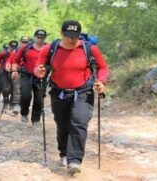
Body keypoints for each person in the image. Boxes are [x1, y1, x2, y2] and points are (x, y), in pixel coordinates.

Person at [34, 20, 108, 175]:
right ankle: (64, 153)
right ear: (61, 33)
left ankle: (74, 160)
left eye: (74, 36)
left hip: (83, 92)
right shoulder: (50, 48)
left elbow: (102, 67)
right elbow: (39, 68)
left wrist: (101, 82)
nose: (71, 39)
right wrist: (39, 72)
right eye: (67, 36)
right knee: (62, 124)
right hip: (58, 92)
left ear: (79, 35)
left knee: (79, 122)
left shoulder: (90, 49)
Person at [12, 29, 47, 125]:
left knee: (39, 99)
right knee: (25, 95)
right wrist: (14, 71)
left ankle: (36, 119)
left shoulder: (48, 48)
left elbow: (53, 62)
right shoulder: (26, 47)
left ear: (45, 38)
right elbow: (16, 60)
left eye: (42, 38)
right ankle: (24, 114)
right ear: (34, 37)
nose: (40, 40)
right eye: (38, 37)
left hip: (41, 77)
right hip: (26, 75)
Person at [0, 41, 18, 107]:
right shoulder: (4, 53)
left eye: (14, 46)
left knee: (14, 87)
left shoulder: (18, 53)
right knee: (5, 88)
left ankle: (12, 103)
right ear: (9, 46)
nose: (13, 48)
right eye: (12, 46)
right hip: (4, 71)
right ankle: (5, 100)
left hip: (15, 71)